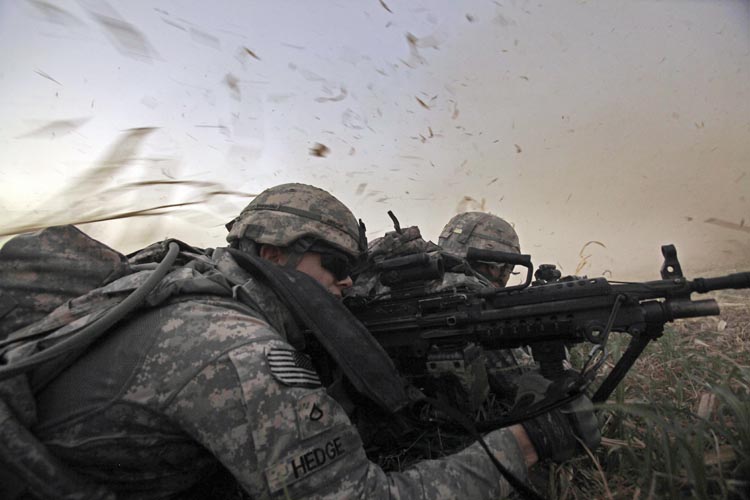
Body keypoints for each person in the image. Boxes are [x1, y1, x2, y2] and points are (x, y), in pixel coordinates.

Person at [14, 183, 595, 499]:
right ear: (271, 253)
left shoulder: (191, 289)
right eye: (335, 263)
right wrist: (525, 443)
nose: (348, 282)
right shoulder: (237, 350)